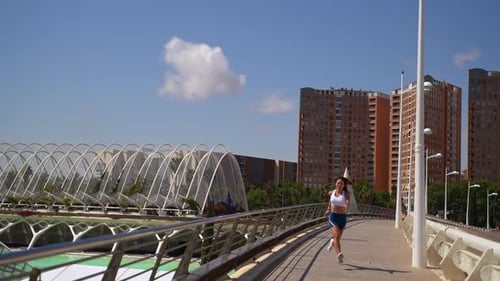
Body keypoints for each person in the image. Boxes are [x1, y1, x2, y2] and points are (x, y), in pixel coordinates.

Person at [324, 176, 350, 263]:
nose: (339, 185)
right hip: (333, 217)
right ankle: (339, 254)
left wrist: (347, 205)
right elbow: (330, 201)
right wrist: (328, 209)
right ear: (335, 184)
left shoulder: (346, 193)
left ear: (343, 185)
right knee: (336, 237)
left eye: (341, 183)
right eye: (338, 183)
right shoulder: (332, 192)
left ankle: (332, 241)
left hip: (342, 217)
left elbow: (347, 201)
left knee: (338, 237)